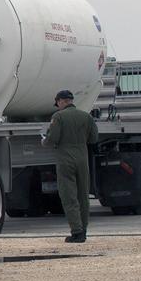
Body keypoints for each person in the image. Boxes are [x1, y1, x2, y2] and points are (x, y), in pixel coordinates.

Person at [43, 89, 98, 243]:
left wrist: (44, 141)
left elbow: (52, 139)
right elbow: (94, 139)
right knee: (83, 196)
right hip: (82, 158)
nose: (58, 106)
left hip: (65, 159)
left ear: (61, 101)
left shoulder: (58, 116)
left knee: (69, 196)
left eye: (58, 103)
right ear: (71, 101)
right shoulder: (86, 116)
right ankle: (84, 230)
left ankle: (77, 231)